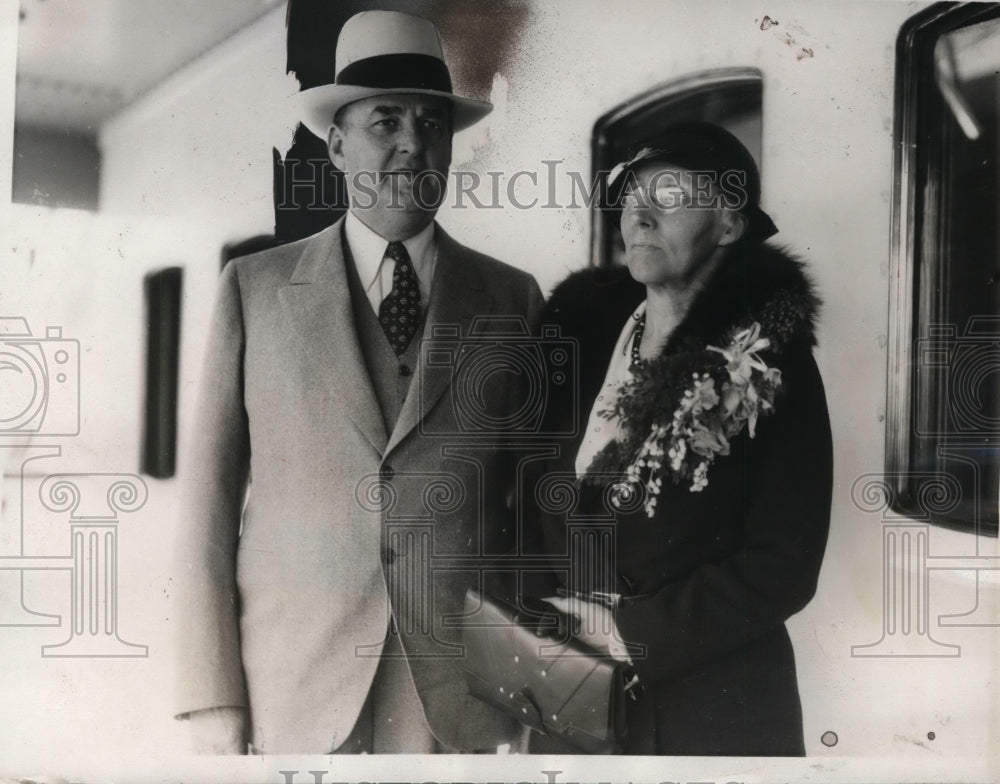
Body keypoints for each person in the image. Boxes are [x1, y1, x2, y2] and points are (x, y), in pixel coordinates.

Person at [174, 10, 543, 754]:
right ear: (336, 144)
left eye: (432, 122)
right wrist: (210, 698)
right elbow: (206, 512)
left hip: (458, 707)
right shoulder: (254, 288)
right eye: (387, 120)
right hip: (295, 691)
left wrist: (536, 697)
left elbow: (535, 518)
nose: (414, 142)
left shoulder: (513, 300)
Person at [529, 122, 832, 755]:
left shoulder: (771, 365)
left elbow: (785, 565)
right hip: (572, 697)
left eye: (666, 197)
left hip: (713, 712)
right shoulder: (576, 338)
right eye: (630, 196)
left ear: (728, 224)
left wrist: (628, 630)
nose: (636, 215)